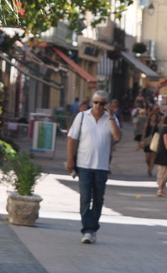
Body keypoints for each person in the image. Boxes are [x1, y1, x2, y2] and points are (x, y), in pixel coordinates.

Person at [65, 89, 122, 244]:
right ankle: (88, 230)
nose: (98, 106)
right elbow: (71, 139)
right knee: (85, 198)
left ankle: (93, 228)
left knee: (98, 199)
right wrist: (70, 160)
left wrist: (110, 116)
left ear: (106, 105)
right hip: (83, 164)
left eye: (102, 103)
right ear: (92, 102)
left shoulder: (111, 119)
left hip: (102, 166)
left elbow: (117, 137)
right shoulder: (82, 116)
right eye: (96, 102)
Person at [143, 111, 161, 176]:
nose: (154, 118)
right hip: (147, 141)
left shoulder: (158, 125)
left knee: (152, 156)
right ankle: (149, 166)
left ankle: (150, 170)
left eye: (155, 117)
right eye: (153, 116)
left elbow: (159, 133)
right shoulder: (146, 124)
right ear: (150, 117)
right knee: (147, 158)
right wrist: (142, 140)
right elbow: (144, 132)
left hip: (154, 141)